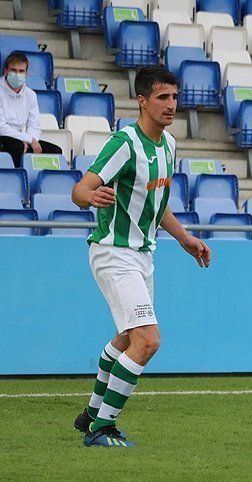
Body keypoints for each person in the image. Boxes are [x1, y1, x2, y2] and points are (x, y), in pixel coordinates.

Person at [70, 66, 212, 448]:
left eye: (175, 97)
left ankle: (90, 415)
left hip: (143, 255)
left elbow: (157, 203)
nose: (171, 105)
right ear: (143, 100)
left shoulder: (168, 146)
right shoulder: (125, 143)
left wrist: (184, 238)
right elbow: (82, 187)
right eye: (163, 98)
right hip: (114, 252)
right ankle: (103, 427)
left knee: (126, 337)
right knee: (147, 341)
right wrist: (90, 196)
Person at [0, 52, 63, 166]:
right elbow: (1, 128)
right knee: (17, 146)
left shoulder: (31, 95)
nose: (17, 74)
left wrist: (29, 141)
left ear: (26, 73)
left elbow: (34, 125)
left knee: (55, 151)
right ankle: (15, 180)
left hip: (21, 140)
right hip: (4, 139)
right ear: (6, 71)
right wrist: (28, 139)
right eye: (13, 70)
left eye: (21, 71)